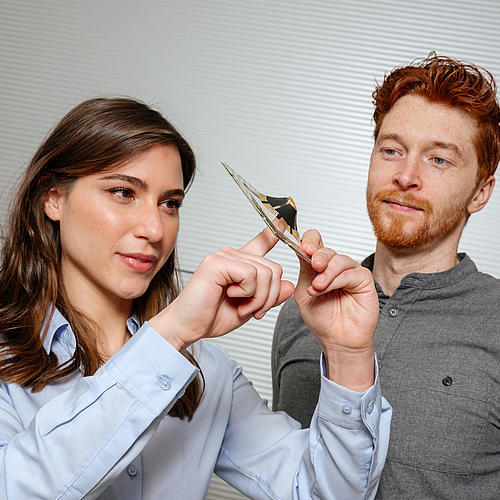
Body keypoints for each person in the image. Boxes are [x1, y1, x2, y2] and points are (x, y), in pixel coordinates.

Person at [0, 97, 391, 499]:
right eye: (122, 192)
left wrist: (348, 353)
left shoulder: (206, 373)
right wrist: (169, 335)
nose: (154, 228)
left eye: (170, 203)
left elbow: (324, 493)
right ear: (53, 199)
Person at [272, 54, 500, 499]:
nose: (405, 176)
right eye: (391, 150)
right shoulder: (305, 307)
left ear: (481, 191)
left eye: (439, 160)